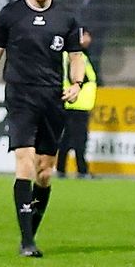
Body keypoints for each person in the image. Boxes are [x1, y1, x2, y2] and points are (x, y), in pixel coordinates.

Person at [0, 0, 86, 257]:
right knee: (25, 162)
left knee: (45, 172)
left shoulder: (66, 19)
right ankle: (27, 242)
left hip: (52, 100)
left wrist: (76, 84)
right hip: (20, 98)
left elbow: (76, 57)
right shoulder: (9, 15)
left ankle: (31, 234)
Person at [57, 29, 97, 178]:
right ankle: (82, 170)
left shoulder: (78, 55)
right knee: (80, 139)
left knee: (67, 139)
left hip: (75, 104)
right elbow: (76, 79)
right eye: (85, 35)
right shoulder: (75, 57)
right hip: (77, 104)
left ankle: (61, 169)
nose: (89, 39)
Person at [77, 0, 110, 77]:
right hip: (78, 37)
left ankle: (97, 85)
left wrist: (88, 33)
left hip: (95, 39)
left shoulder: (102, 1)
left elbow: (104, 21)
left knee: (93, 64)